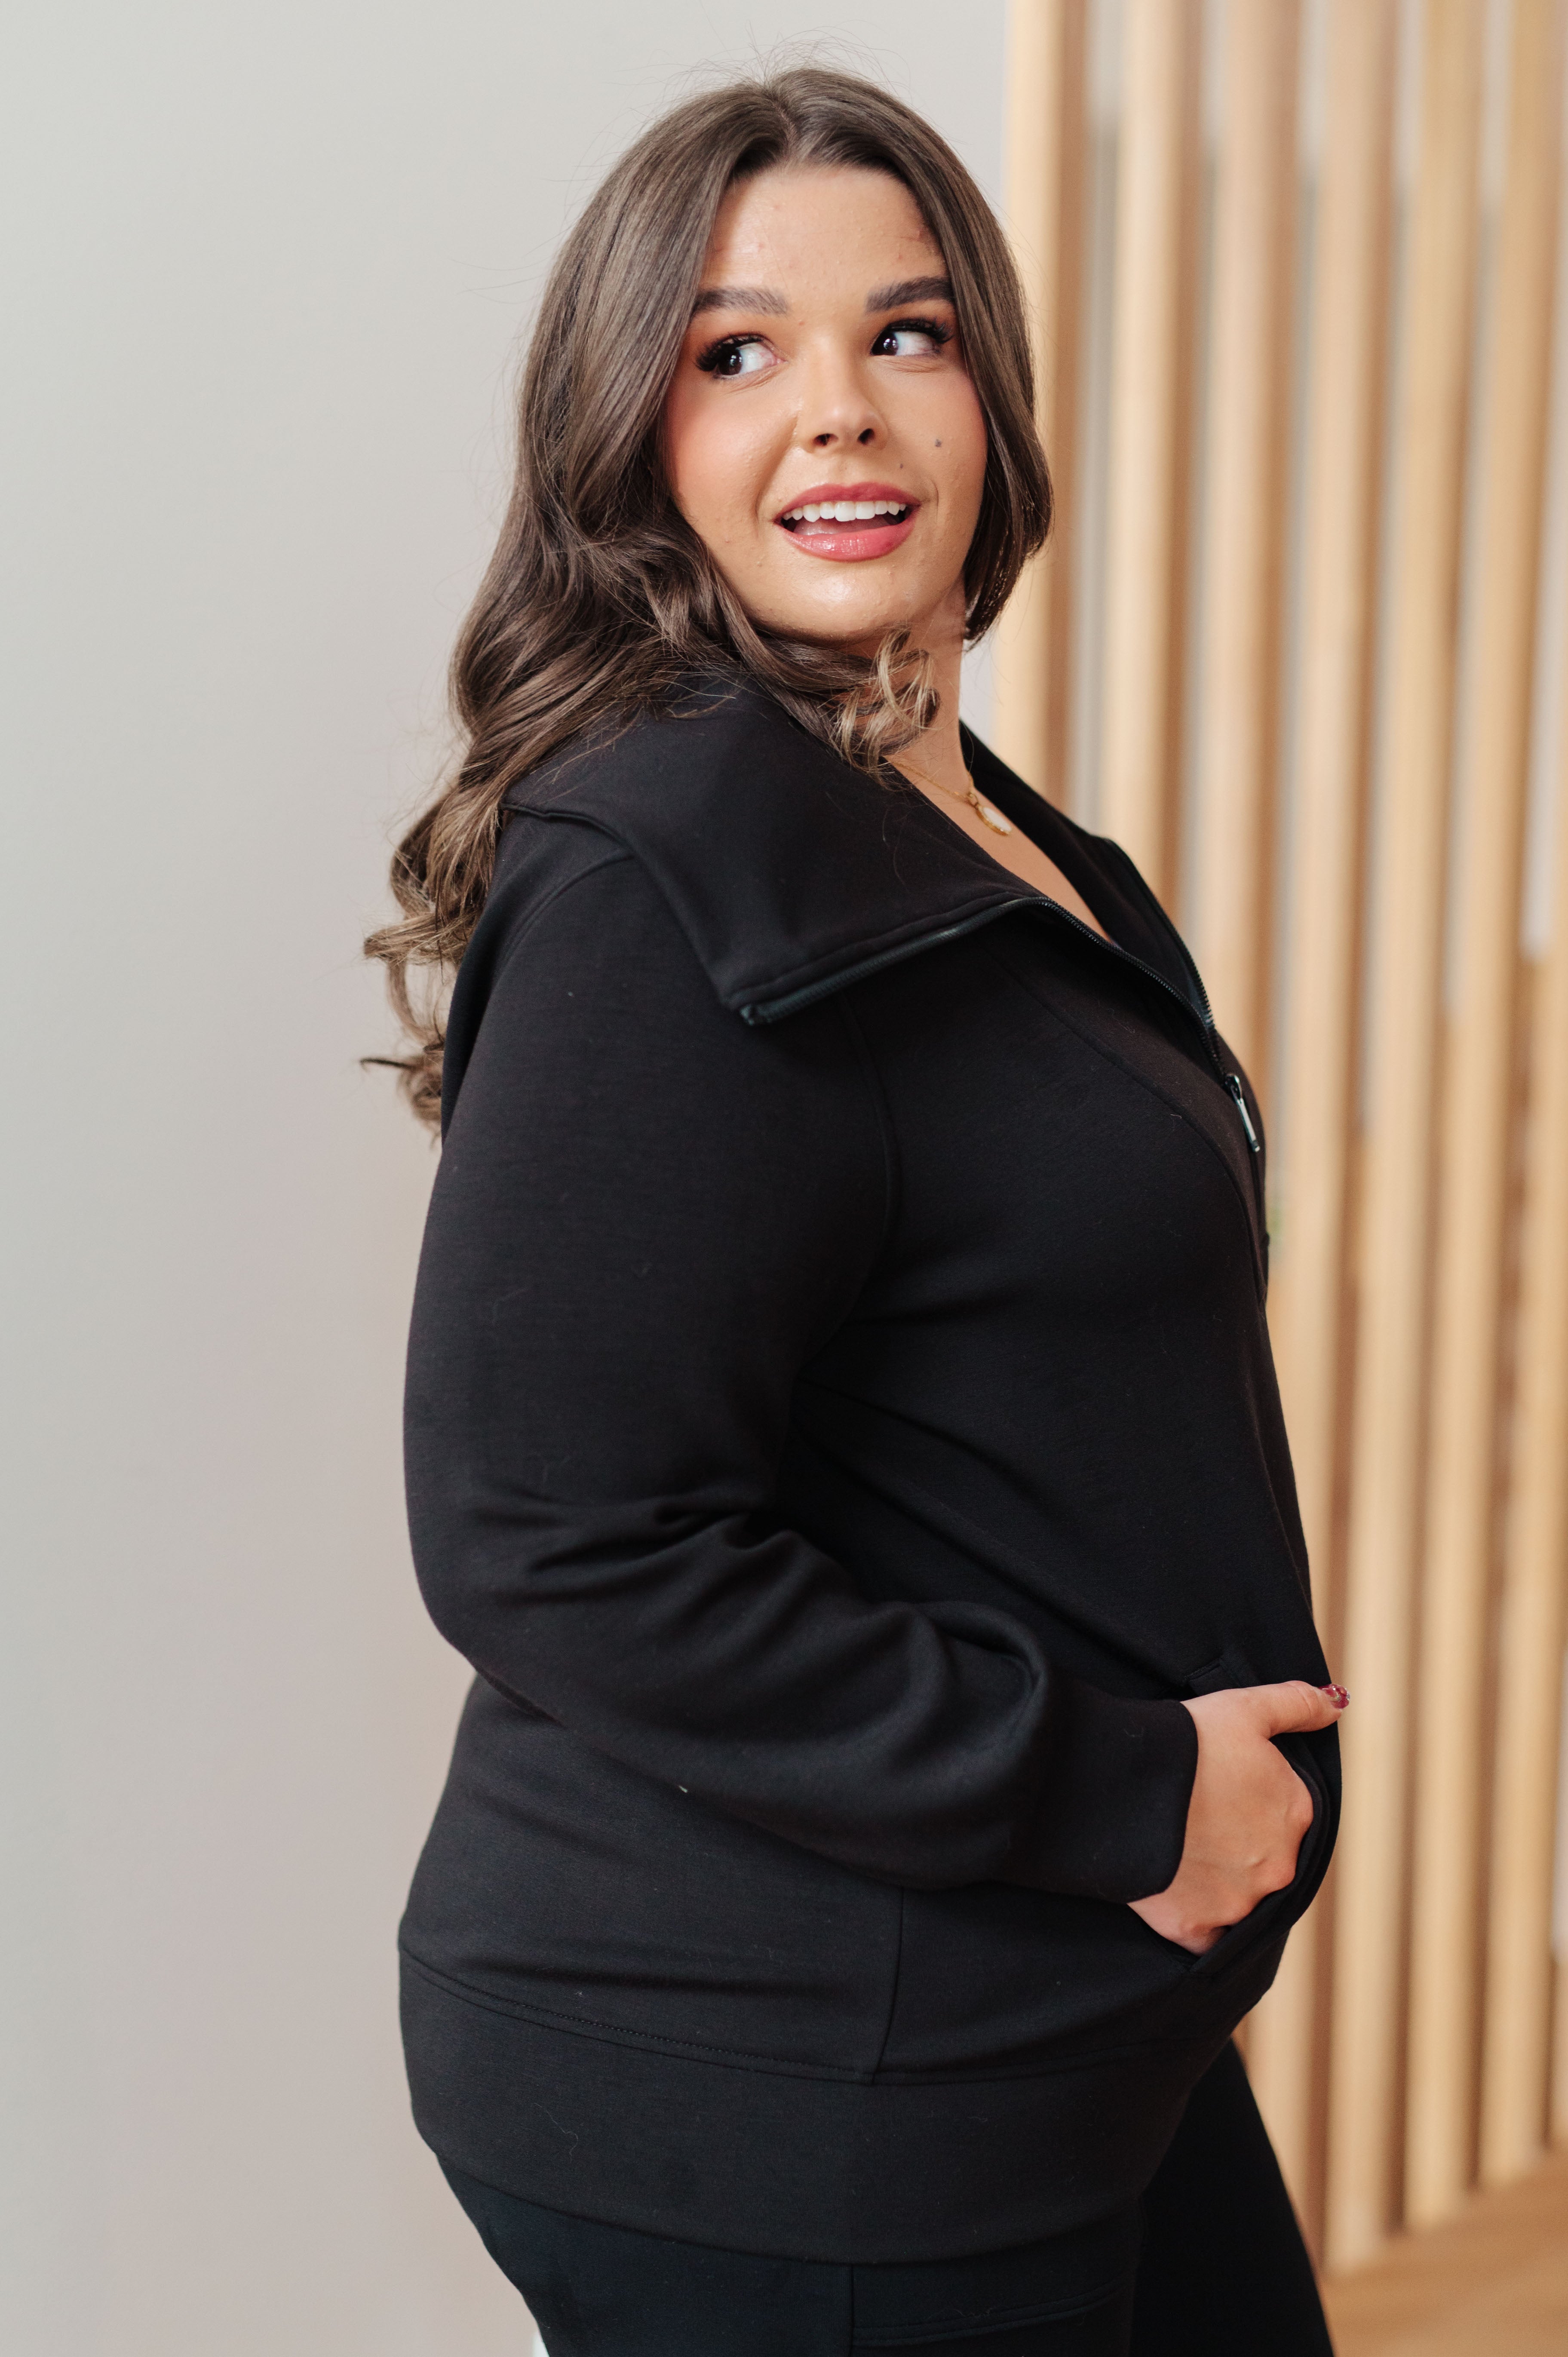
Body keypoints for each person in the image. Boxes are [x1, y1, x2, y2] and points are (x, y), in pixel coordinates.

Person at [368, 65, 1345, 2357]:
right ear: (635, 435)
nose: (843, 409)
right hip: (789, 2071)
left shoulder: (989, 833)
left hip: (1032, 2007)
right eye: (738, 351)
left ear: (990, 392)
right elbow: (551, 1541)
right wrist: (1131, 1795)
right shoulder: (669, 859)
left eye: (908, 333)